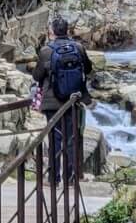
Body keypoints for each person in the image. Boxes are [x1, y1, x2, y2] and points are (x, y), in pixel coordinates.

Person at [33, 17, 92, 183]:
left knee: (54, 139)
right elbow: (88, 69)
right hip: (73, 100)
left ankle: (54, 178)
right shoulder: (78, 47)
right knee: (71, 138)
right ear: (68, 30)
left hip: (52, 102)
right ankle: (70, 177)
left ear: (52, 31)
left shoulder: (46, 51)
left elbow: (37, 76)